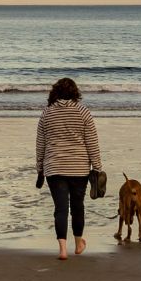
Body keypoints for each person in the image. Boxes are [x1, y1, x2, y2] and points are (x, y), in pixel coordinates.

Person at [34, 77, 102, 260]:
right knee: (77, 206)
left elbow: (41, 143)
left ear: (55, 92)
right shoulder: (83, 112)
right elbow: (92, 142)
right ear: (75, 93)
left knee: (61, 208)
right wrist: (97, 167)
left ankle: (63, 249)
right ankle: (79, 243)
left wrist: (39, 166)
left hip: (54, 167)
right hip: (79, 168)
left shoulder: (46, 113)